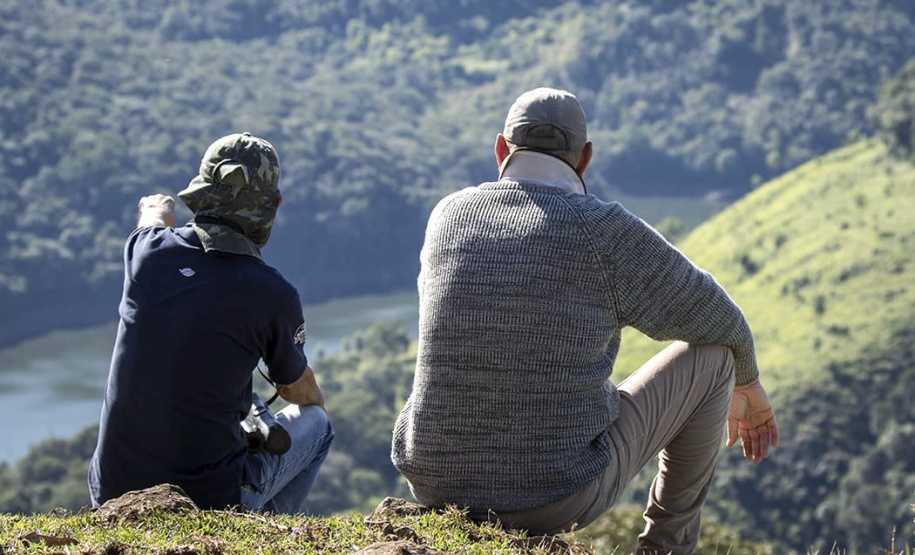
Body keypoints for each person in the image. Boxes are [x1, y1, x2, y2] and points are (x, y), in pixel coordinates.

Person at [391, 88, 779, 553]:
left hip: (436, 485)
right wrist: (749, 385)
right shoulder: (603, 231)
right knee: (717, 359)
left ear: (500, 149)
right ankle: (667, 546)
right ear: (585, 158)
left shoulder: (448, 215)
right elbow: (721, 320)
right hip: (553, 498)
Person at [89, 132, 333, 514]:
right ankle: (257, 536)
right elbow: (295, 389)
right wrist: (317, 400)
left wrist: (158, 208)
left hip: (112, 492)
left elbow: (150, 214)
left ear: (201, 193)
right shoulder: (272, 294)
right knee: (318, 426)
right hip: (205, 500)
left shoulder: (147, 254)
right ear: (273, 206)